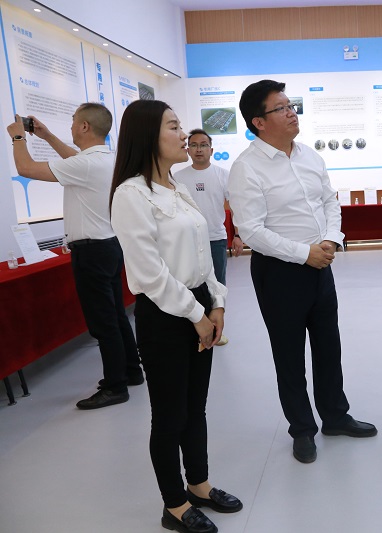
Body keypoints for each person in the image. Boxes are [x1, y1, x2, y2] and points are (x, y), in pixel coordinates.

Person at [110, 99, 241, 533]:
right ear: (148, 135)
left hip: (199, 302)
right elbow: (149, 274)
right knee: (170, 415)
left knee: (195, 407)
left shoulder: (176, 187)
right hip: (166, 314)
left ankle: (199, 485)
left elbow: (204, 257)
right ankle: (175, 505)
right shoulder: (131, 194)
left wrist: (216, 303)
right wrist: (196, 315)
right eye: (173, 126)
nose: (184, 135)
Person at [229, 80, 376, 464]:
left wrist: (330, 240)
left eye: (290, 105)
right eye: (281, 108)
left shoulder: (309, 156)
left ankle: (336, 416)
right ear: (259, 122)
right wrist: (303, 253)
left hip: (320, 263)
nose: (291, 112)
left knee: (329, 346)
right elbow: (252, 231)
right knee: (289, 355)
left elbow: (329, 201)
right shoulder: (246, 168)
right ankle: (302, 429)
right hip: (279, 272)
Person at [7, 104, 141, 410]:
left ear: (84, 127)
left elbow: (26, 168)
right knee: (116, 316)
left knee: (103, 322)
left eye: (72, 123)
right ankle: (131, 371)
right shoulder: (105, 159)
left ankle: (116, 386)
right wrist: (47, 135)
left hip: (92, 252)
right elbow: (73, 159)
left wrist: (18, 138)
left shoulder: (87, 164)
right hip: (109, 246)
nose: (70, 128)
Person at [174, 128, 245, 346]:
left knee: (217, 286)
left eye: (203, 145)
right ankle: (196, 329)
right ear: (188, 150)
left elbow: (235, 206)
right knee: (190, 284)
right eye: (194, 145)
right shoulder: (177, 178)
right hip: (188, 240)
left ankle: (216, 331)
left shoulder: (223, 175)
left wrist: (238, 235)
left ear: (211, 150)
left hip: (215, 239)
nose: (199, 149)